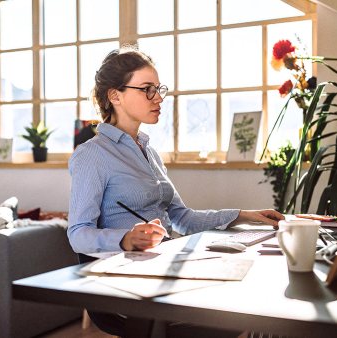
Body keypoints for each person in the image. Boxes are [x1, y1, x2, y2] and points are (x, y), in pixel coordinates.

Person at [67, 45, 284, 338]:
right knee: (244, 314)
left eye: (159, 89)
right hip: (125, 286)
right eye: (147, 89)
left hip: (164, 268)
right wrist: (126, 238)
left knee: (262, 295)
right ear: (115, 96)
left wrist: (245, 215)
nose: (158, 98)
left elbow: (183, 218)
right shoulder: (92, 155)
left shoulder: (150, 152)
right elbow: (78, 233)